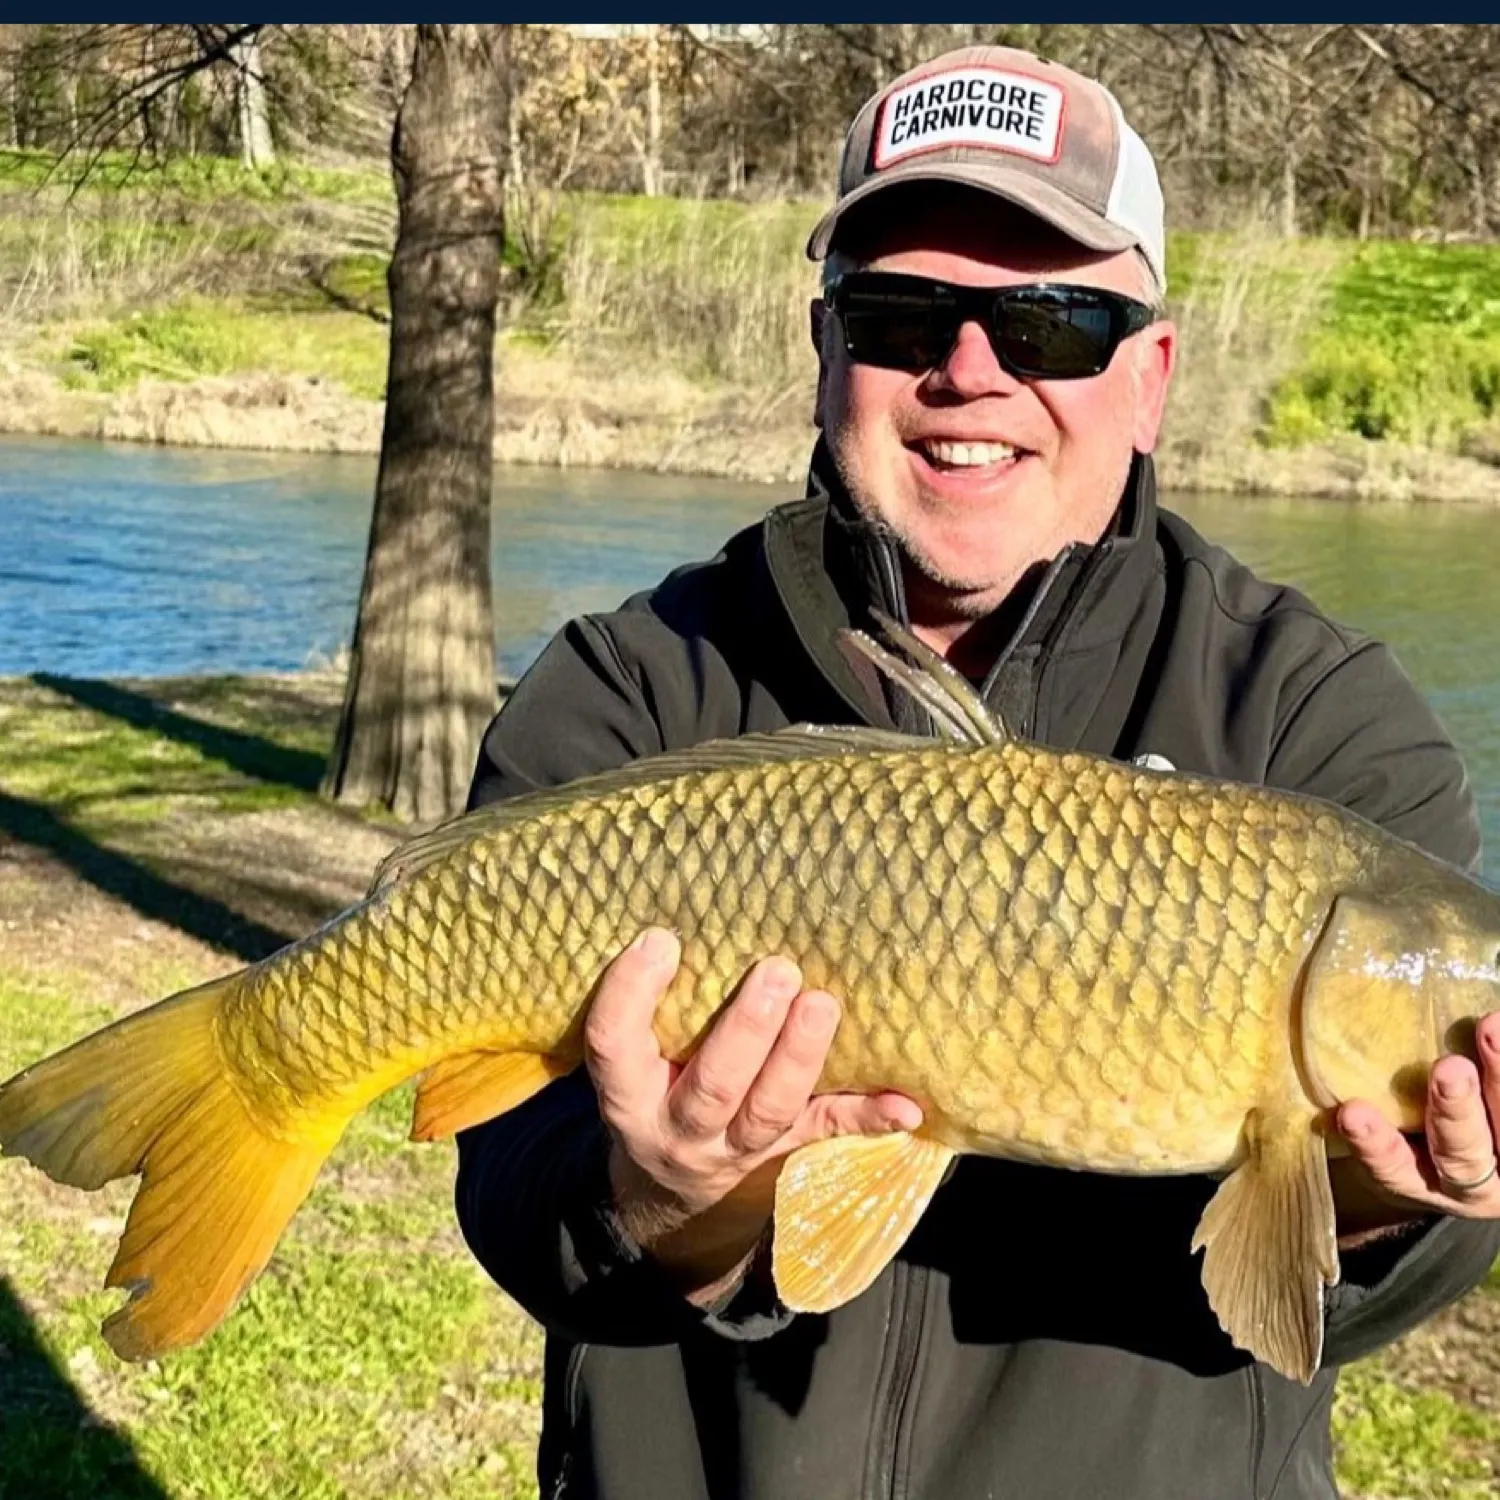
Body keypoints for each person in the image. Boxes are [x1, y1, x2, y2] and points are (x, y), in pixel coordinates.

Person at [455, 44, 1500, 1500]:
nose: (970, 369)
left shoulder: (1317, 717)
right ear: (823, 348)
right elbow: (514, 1195)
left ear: (1150, 378)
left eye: (1055, 323)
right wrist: (666, 1198)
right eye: (899, 314)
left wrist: (1387, 1205)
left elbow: (1342, 1294)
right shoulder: (633, 688)